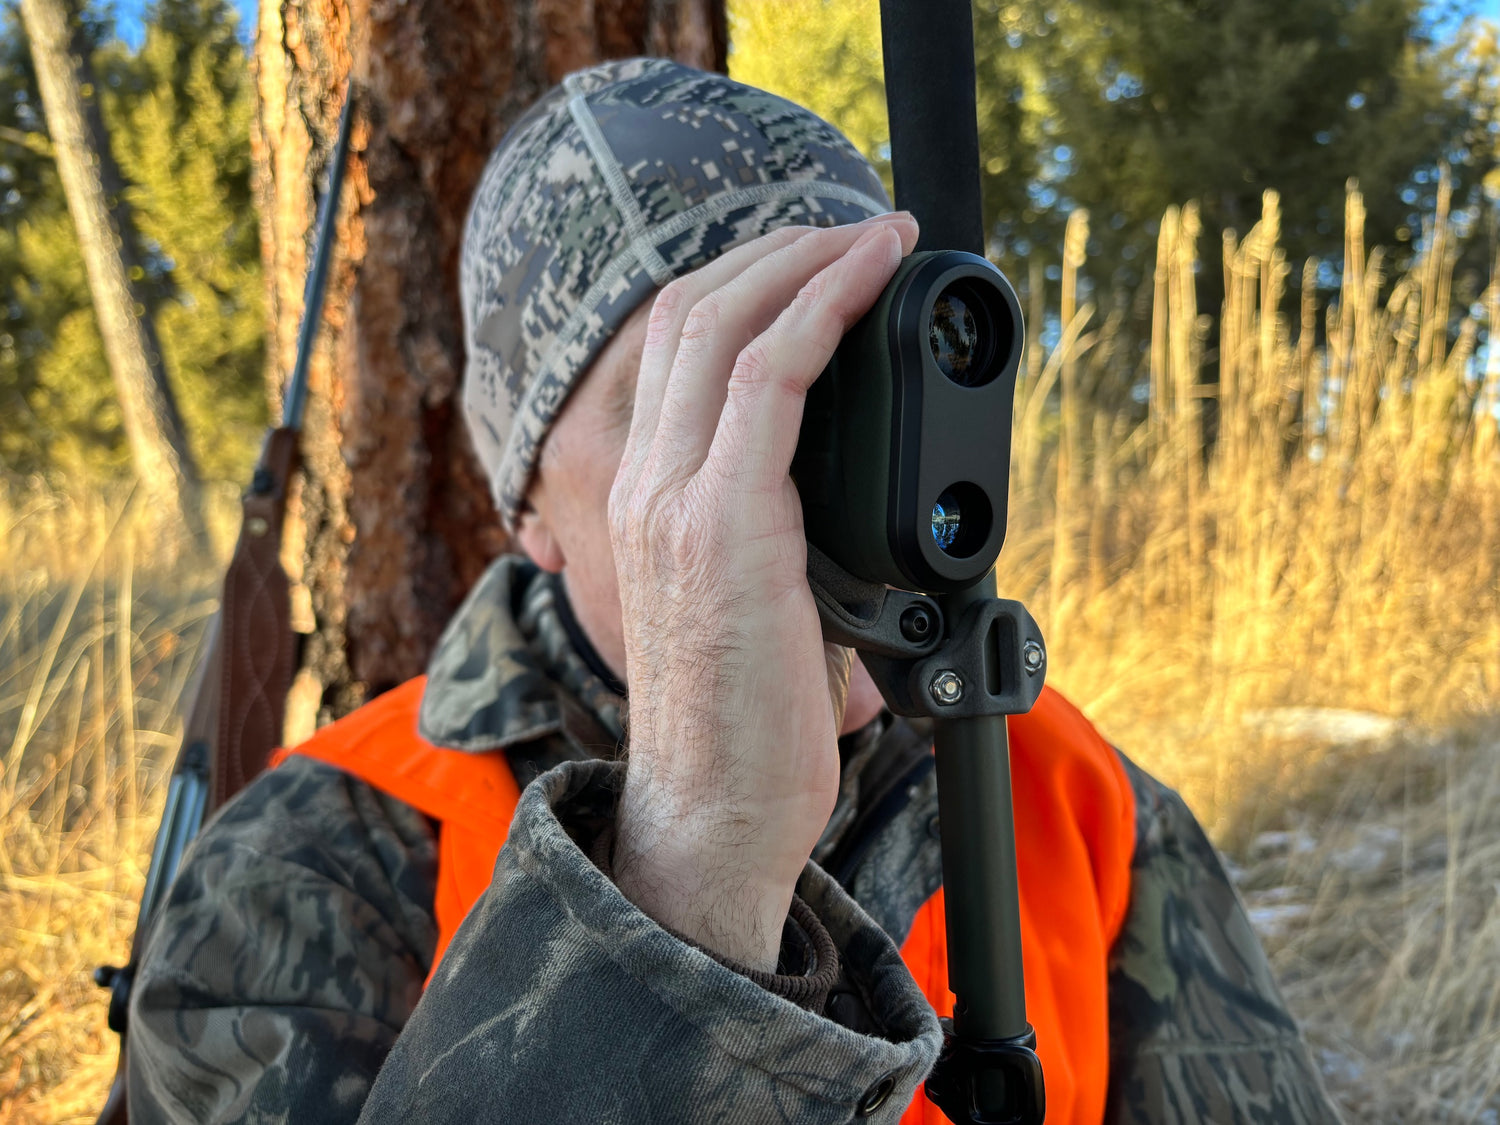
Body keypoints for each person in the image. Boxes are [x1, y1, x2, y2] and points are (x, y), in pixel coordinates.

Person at [126, 58, 1340, 1125]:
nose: (799, 458)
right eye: (687, 400)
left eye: (843, 369)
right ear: (532, 512)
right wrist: (688, 873)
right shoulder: (317, 860)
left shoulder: (1076, 804)